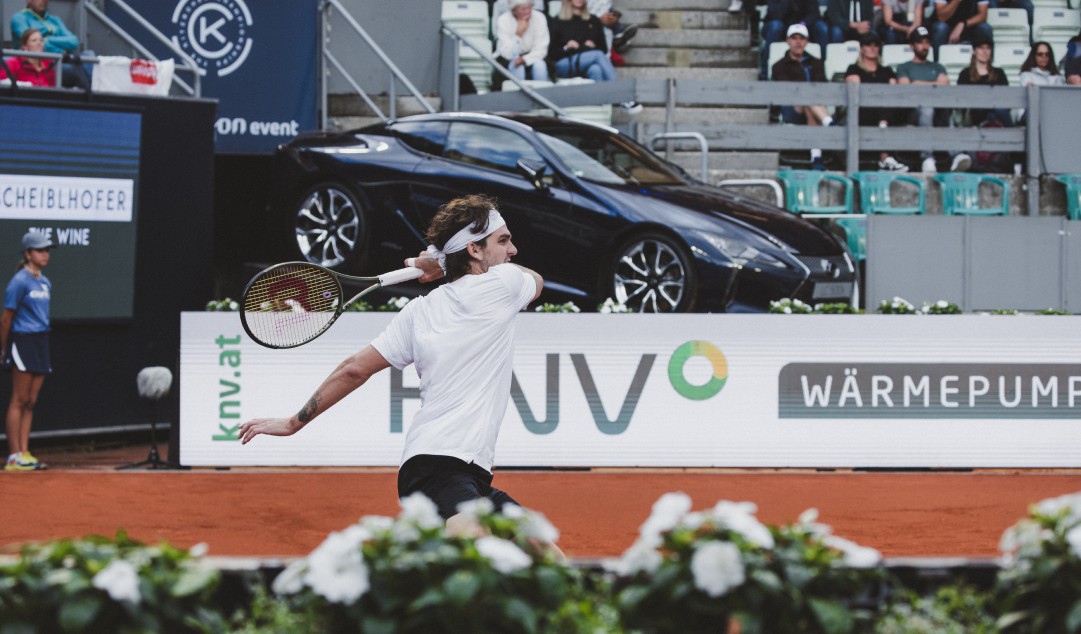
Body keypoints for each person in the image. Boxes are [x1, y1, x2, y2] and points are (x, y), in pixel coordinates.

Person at [239, 195, 550, 541]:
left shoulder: (418, 312)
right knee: (473, 541)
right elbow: (535, 280)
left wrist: (292, 422)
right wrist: (441, 264)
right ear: (474, 250)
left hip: (458, 470)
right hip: (437, 466)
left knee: (539, 546)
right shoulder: (504, 284)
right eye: (503, 240)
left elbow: (354, 369)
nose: (513, 250)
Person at [2, 232, 54, 472]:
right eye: (40, 250)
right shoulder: (19, 282)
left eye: (46, 250)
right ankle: (13, 456)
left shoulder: (45, 282)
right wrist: (3, 347)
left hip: (41, 342)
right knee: (19, 399)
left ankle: (24, 452)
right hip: (22, 341)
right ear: (27, 254)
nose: (45, 254)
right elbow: (6, 318)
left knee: (31, 401)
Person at [896, 26, 971, 173]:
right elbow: (905, 87)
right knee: (927, 108)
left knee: (944, 108)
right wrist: (933, 85)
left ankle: (956, 155)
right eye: (920, 42)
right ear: (912, 45)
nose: (924, 46)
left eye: (927, 42)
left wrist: (918, 84)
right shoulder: (904, 67)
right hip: (913, 111)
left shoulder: (937, 66)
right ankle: (927, 157)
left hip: (938, 109)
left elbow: (945, 84)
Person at [548, 0, 641, 112]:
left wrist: (590, 46)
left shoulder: (593, 20)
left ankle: (598, 107)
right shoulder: (557, 21)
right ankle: (622, 95)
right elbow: (552, 53)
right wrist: (567, 47)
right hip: (564, 63)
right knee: (597, 56)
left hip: (588, 61)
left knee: (596, 69)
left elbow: (603, 48)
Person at [772, 23, 836, 170]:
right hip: (792, 107)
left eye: (802, 38)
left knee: (810, 104)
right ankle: (829, 124)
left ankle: (816, 156)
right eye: (794, 38)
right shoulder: (779, 66)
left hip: (814, 105)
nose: (798, 42)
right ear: (788, 41)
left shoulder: (816, 62)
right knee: (807, 98)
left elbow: (822, 84)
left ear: (806, 41)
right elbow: (787, 90)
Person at [845, 32, 908, 171]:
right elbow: (856, 92)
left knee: (890, 102)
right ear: (862, 48)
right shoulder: (854, 68)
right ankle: (885, 157)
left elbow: (892, 91)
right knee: (882, 103)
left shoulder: (886, 70)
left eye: (875, 45)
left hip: (885, 111)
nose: (873, 48)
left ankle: (883, 131)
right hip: (862, 111)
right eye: (868, 45)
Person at [10, 0, 91, 89]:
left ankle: (93, 95)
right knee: (78, 70)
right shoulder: (19, 18)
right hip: (40, 64)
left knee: (89, 55)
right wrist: (61, 47)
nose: (44, 0)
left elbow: (74, 42)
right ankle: (93, 96)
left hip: (62, 60)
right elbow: (32, 44)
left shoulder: (54, 19)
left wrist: (47, 39)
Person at [759, 0, 827, 79]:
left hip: (804, 25)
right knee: (775, 27)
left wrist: (802, 24)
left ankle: (823, 67)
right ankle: (765, 71)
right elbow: (776, 14)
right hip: (781, 24)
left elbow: (814, 13)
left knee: (821, 28)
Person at [494, 0, 551, 87]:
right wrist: (518, 34)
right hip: (509, 58)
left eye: (529, 7)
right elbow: (507, 53)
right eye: (523, 9)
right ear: (514, 10)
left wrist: (525, 59)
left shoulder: (539, 17)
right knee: (517, 67)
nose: (527, 11)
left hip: (534, 56)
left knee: (540, 66)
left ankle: (543, 95)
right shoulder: (503, 20)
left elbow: (541, 48)